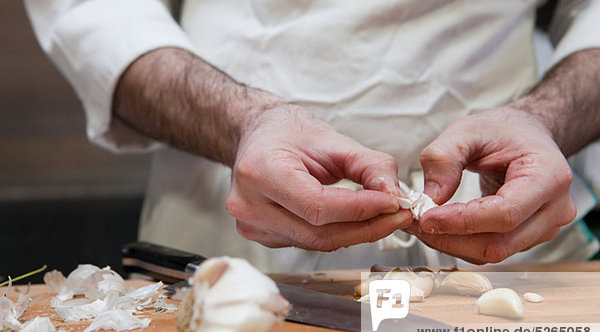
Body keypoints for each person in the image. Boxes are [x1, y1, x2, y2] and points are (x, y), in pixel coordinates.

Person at [24, 0, 600, 272]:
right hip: (232, 247)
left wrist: (545, 118)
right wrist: (239, 122)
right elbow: (93, 11)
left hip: (514, 259)